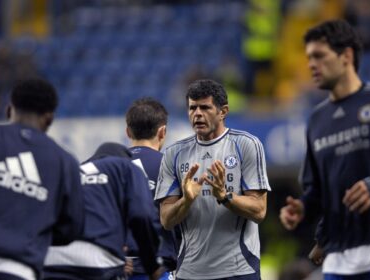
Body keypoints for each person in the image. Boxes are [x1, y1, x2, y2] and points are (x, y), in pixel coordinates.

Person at [279, 19, 370, 279]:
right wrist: (303, 208)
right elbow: (318, 190)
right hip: (338, 261)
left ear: (346, 55)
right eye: (308, 58)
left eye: (318, 56)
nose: (311, 65)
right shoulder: (317, 120)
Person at [155, 79, 270, 279]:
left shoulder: (246, 145)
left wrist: (225, 196)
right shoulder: (174, 154)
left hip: (239, 269)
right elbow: (166, 220)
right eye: (192, 108)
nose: (197, 113)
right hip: (190, 272)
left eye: (205, 107)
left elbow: (259, 211)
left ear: (223, 111)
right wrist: (186, 201)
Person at [0, 78, 84, 280]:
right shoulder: (65, 162)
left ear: (9, 110)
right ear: (49, 119)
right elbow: (71, 229)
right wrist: (35, 231)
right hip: (18, 270)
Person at [43, 142, 166, 280]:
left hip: (50, 258)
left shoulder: (73, 172)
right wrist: (152, 265)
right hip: (96, 262)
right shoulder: (126, 167)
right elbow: (141, 215)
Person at [124, 98, 178, 280]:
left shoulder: (110, 166)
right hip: (159, 269)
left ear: (128, 131)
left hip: (119, 267)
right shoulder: (170, 166)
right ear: (162, 132)